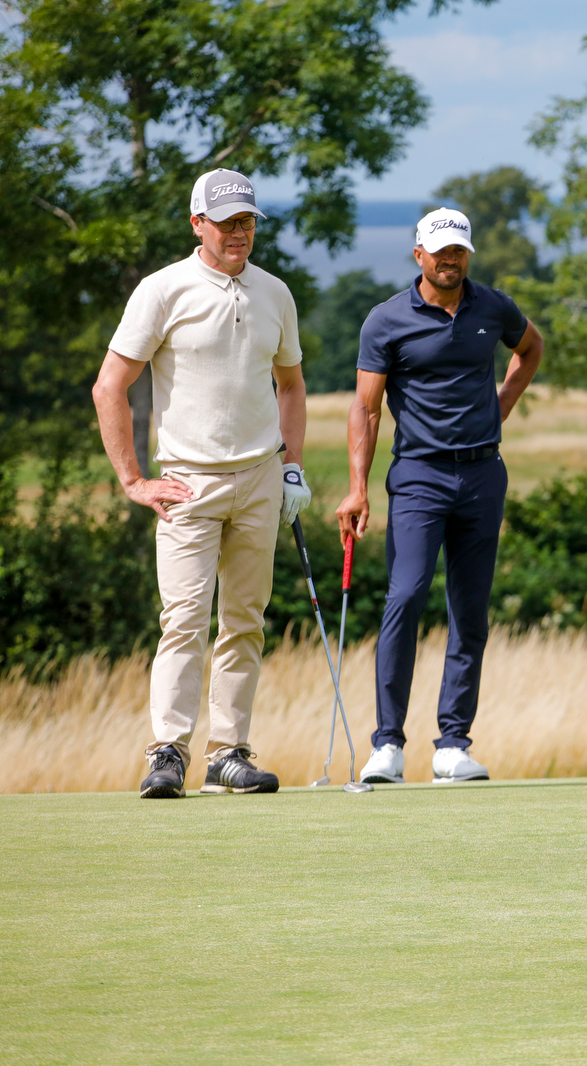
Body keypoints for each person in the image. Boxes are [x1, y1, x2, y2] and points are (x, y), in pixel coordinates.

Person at [92, 168, 309, 799]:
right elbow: (110, 385)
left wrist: (290, 465)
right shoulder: (164, 291)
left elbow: (291, 386)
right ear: (198, 224)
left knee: (245, 619)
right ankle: (168, 751)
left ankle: (229, 752)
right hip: (187, 482)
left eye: (247, 222)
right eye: (226, 222)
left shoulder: (275, 294)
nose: (239, 233)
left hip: (260, 478)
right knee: (184, 618)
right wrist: (133, 480)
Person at [338, 208, 543, 785]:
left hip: (482, 475)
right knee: (404, 600)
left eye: (459, 251)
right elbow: (367, 408)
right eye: (440, 251)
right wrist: (357, 488)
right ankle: (387, 745)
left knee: (470, 611)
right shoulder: (386, 321)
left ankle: (453, 744)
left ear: (467, 254)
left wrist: (499, 408)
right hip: (419, 478)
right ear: (419, 256)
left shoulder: (492, 307)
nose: (450, 259)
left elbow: (531, 349)